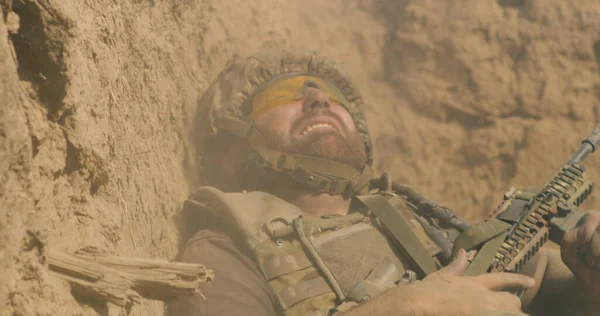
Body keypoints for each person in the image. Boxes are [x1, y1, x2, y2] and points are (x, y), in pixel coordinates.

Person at [166, 49, 600, 316]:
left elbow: (540, 283)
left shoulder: (411, 220)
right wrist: (413, 308)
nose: (318, 99)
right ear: (238, 142)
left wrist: (588, 270)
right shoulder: (227, 245)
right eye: (284, 95)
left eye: (330, 98)